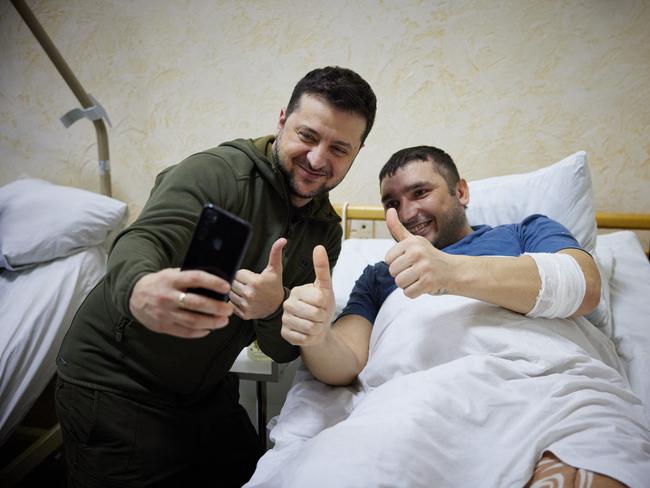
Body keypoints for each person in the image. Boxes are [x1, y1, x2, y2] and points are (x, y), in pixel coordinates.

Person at [55, 66, 377, 488]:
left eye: (339, 148)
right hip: (117, 384)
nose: (318, 159)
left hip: (204, 392)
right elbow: (143, 240)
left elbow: (282, 351)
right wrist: (139, 288)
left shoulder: (324, 232)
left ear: (356, 153)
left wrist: (271, 308)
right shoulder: (220, 173)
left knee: (256, 472)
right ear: (282, 120)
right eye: (307, 136)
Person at [279, 145, 637, 486]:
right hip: (416, 398)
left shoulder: (523, 232)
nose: (406, 213)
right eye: (392, 203)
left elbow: (583, 286)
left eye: (420, 192)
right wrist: (316, 334)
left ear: (461, 192)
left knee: (594, 461)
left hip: (549, 384)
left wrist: (449, 273)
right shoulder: (380, 275)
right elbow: (344, 365)